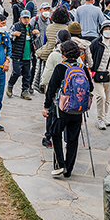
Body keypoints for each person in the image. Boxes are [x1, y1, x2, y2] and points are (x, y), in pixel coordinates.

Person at [43, 40, 92, 178]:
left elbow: (51, 89)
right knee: (72, 139)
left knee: (55, 135)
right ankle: (69, 169)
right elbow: (91, 88)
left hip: (61, 109)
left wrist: (46, 106)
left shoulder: (60, 68)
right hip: (78, 110)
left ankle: (60, 164)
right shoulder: (82, 68)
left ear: (63, 53)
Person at [89, 19, 110, 130]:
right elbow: (90, 57)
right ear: (101, 30)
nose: (108, 31)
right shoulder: (96, 43)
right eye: (106, 29)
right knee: (100, 96)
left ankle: (104, 117)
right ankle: (100, 119)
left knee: (108, 98)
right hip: (97, 74)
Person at [7, 9, 38, 99]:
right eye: (24, 18)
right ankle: (10, 85)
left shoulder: (31, 27)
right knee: (16, 72)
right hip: (17, 55)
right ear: (20, 18)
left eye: (27, 18)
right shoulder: (16, 26)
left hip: (28, 56)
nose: (26, 20)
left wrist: (36, 34)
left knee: (27, 74)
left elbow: (33, 39)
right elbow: (8, 36)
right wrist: (13, 34)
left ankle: (25, 91)